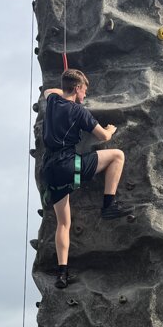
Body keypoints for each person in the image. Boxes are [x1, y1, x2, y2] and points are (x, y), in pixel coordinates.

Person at [42, 68, 130, 289]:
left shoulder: (52, 101)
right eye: (84, 90)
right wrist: (110, 129)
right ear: (78, 88)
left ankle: (62, 274)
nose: (85, 95)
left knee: (63, 223)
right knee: (117, 156)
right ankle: (109, 204)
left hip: (50, 171)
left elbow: (49, 91)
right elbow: (103, 136)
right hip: (70, 167)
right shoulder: (79, 112)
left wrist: (66, 90)